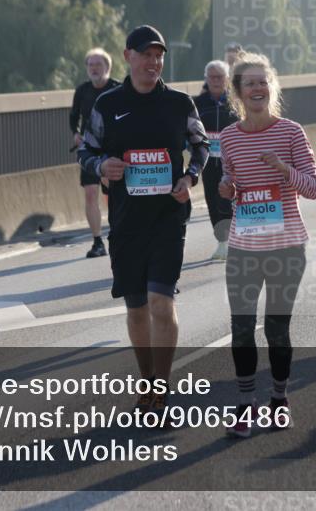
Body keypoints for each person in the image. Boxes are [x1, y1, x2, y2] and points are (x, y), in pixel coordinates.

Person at [79, 25, 209, 414]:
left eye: (159, 55)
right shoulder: (107, 104)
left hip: (168, 217)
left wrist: (190, 177)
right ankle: (146, 380)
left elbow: (202, 146)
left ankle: (162, 390)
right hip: (126, 221)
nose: (154, 62)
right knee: (136, 309)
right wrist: (103, 165)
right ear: (128, 57)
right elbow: (85, 152)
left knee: (160, 303)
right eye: (146, 54)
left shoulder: (180, 103)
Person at [218, 51, 316, 437]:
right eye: (250, 83)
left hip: (286, 246)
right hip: (244, 246)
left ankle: (279, 400)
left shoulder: (291, 132)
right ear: (238, 92)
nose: (258, 88)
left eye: (263, 81)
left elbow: (312, 188)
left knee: (277, 329)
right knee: (242, 327)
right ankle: (245, 404)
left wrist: (283, 169)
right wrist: (225, 187)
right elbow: (230, 185)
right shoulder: (228, 137)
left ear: (271, 87)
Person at [70, 48, 120, 258]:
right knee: (91, 193)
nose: (94, 69)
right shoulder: (82, 91)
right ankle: (97, 241)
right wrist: (75, 134)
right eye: (90, 65)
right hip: (90, 150)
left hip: (112, 151)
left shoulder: (118, 89)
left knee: (113, 195)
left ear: (107, 67)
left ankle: (117, 232)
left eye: (98, 65)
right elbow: (74, 117)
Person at [193, 60, 238, 260]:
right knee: (212, 200)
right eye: (212, 77)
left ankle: (233, 241)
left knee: (229, 200)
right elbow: (190, 130)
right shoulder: (198, 103)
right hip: (209, 162)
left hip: (233, 162)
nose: (216, 80)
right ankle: (222, 242)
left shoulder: (237, 102)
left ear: (227, 79)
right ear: (206, 79)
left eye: (220, 77)